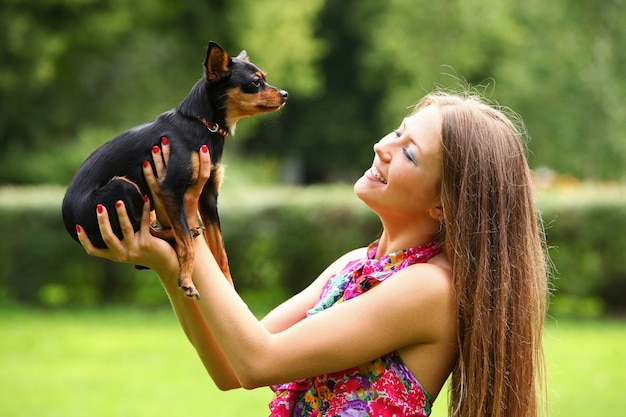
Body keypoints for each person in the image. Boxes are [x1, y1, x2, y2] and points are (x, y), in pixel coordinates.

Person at [77, 90, 548, 417]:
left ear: (445, 203)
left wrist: (184, 219)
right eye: (396, 133)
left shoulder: (430, 288)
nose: (383, 147)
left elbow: (259, 360)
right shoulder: (352, 268)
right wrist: (167, 259)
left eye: (409, 153)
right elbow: (230, 365)